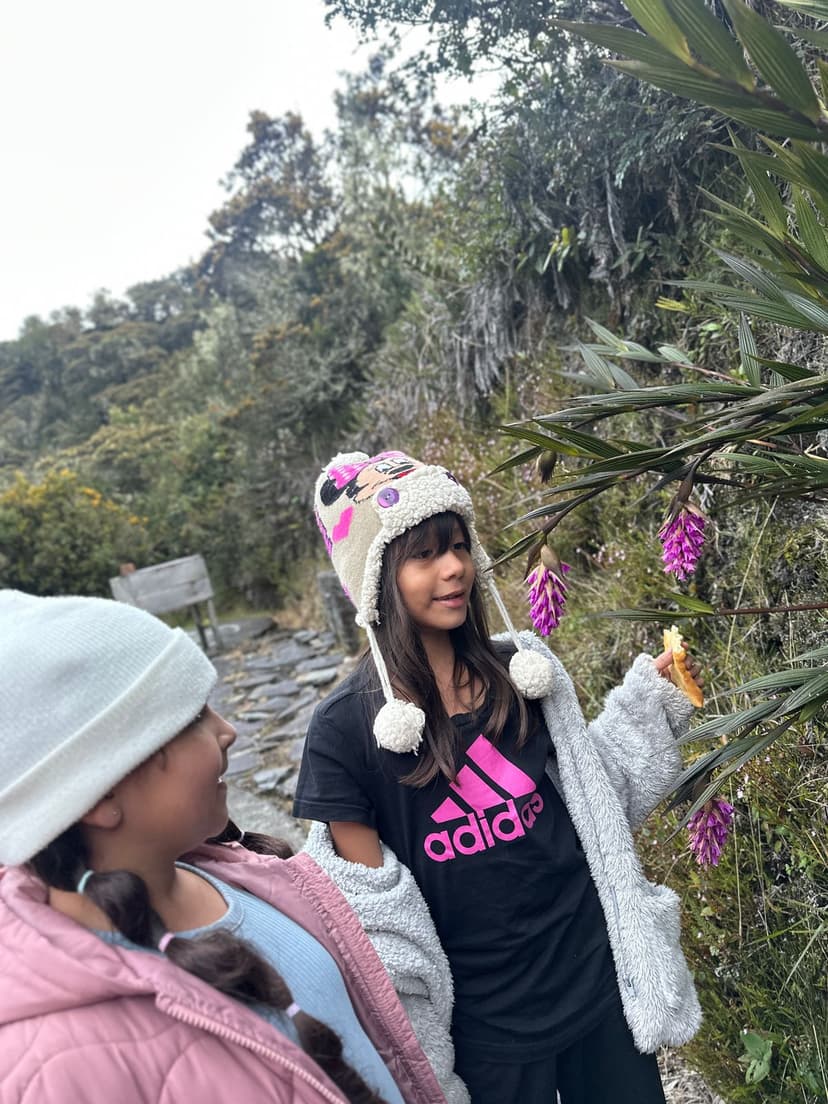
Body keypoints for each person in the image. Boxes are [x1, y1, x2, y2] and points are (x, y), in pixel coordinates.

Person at [294, 450, 706, 1104]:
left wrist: (647, 707)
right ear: (374, 577)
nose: (454, 567)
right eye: (423, 554)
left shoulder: (522, 672)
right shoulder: (345, 734)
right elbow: (377, 928)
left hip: (596, 990)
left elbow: (595, 806)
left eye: (458, 545)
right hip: (485, 1037)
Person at [0, 589, 447, 1104]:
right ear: (99, 792)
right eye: (192, 718)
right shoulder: (58, 1068)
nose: (228, 730)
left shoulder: (240, 874)